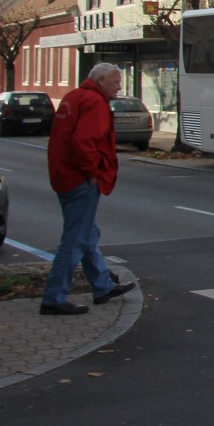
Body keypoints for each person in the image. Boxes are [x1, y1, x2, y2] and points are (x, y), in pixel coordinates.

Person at [40, 63, 136, 315]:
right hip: (80, 179)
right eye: (115, 81)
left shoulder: (73, 97)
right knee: (76, 239)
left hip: (63, 175)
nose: (119, 86)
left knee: (87, 234)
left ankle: (102, 285)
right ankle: (54, 297)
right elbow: (84, 142)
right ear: (102, 80)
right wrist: (93, 173)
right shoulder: (95, 103)